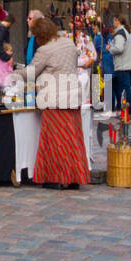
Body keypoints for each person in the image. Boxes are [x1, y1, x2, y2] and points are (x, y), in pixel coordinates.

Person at [27, 17, 89, 188]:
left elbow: (31, 72)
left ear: (39, 36)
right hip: (72, 97)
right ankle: (74, 178)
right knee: (73, 139)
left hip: (54, 99)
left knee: (56, 141)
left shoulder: (44, 50)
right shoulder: (68, 43)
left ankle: (58, 178)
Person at [108, 12, 131, 113]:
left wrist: (110, 48)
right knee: (125, 88)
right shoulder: (127, 32)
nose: (113, 23)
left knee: (126, 88)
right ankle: (129, 109)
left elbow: (119, 48)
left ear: (117, 21)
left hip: (122, 65)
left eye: (114, 21)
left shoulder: (120, 34)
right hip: (127, 63)